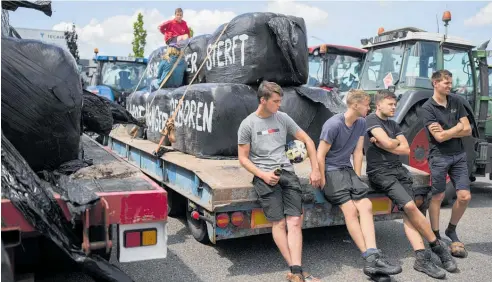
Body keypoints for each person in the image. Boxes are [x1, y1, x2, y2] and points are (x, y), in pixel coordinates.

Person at [366, 90, 457, 279]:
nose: (394, 107)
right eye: (390, 104)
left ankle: (421, 259)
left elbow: (405, 148)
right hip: (381, 172)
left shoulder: (393, 123)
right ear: (379, 104)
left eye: (394, 104)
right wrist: (389, 143)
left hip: (398, 169)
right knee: (409, 206)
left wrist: (386, 144)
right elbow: (388, 142)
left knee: (411, 211)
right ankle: (437, 247)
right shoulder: (371, 120)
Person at [237, 81, 322, 282]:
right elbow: (242, 158)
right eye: (275, 101)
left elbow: (308, 141)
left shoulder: (282, 118)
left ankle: (296, 272)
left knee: (295, 221)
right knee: (279, 222)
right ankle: (298, 271)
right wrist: (263, 175)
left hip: (287, 172)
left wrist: (315, 169)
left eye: (280, 101)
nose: (279, 105)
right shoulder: (247, 124)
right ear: (263, 100)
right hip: (264, 176)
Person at [316, 89, 402, 279]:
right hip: (331, 172)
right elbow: (320, 155)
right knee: (350, 210)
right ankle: (370, 258)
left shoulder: (362, 122)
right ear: (355, 105)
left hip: (347, 171)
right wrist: (322, 180)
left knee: (366, 204)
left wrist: (357, 177)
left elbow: (357, 152)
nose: (368, 107)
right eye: (366, 104)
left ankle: (373, 253)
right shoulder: (333, 125)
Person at [420, 70, 472, 258]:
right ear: (435, 83)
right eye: (446, 83)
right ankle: (435, 234)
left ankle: (451, 229)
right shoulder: (427, 108)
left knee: (464, 196)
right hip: (439, 156)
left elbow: (467, 130)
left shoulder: (456, 101)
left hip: (458, 155)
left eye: (450, 83)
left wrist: (452, 130)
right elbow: (438, 138)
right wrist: (457, 127)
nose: (450, 86)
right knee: (438, 195)